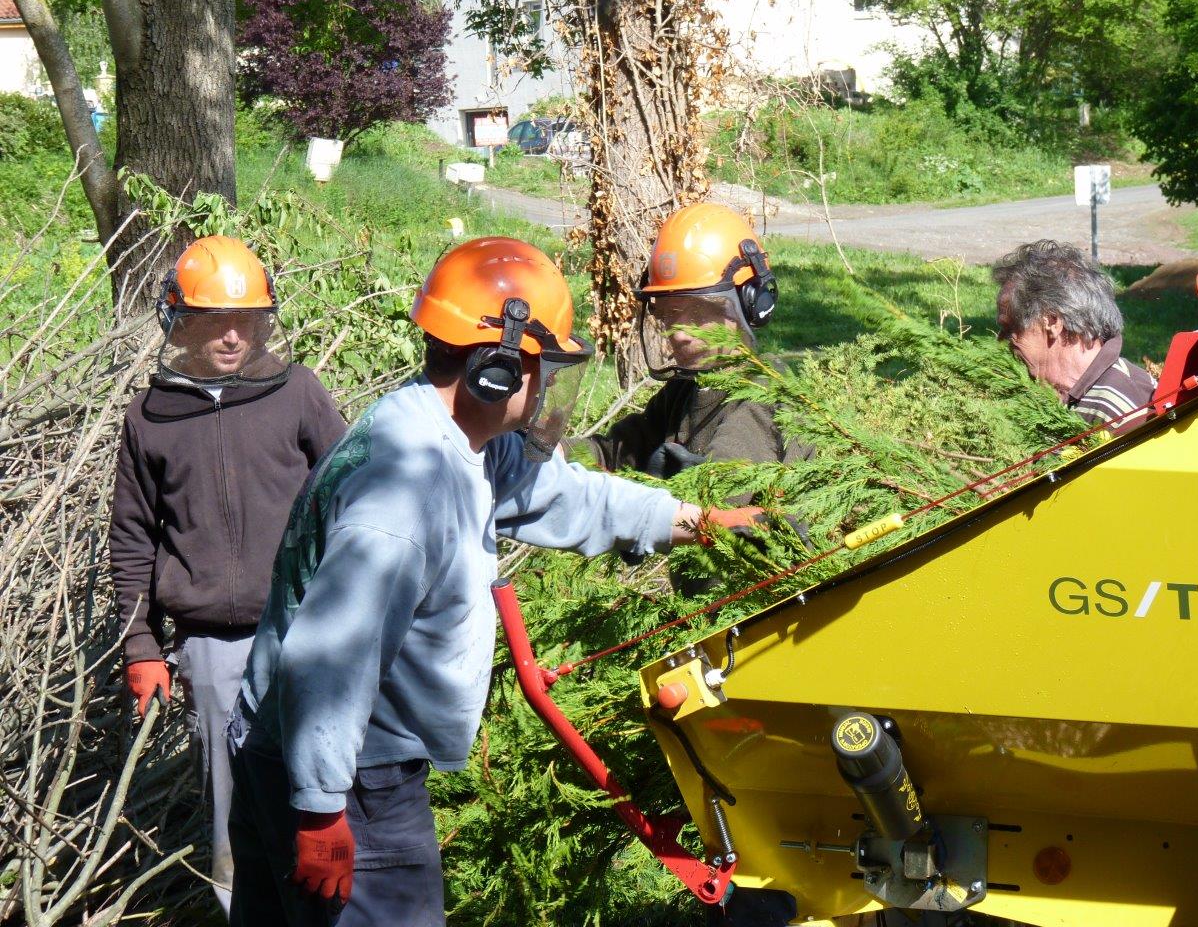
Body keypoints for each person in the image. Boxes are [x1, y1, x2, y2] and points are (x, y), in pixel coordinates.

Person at [225, 237, 767, 927]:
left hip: (312, 754)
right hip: (347, 776)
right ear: (497, 371)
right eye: (543, 370)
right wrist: (320, 807)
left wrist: (700, 520)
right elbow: (330, 657)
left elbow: (566, 495)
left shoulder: (450, 439)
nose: (547, 393)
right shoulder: (408, 493)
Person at [110, 236, 347, 917]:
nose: (231, 336)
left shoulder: (297, 393)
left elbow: (353, 497)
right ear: (179, 323)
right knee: (233, 817)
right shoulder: (149, 419)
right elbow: (132, 538)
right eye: (214, 321)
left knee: (326, 795)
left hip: (310, 634)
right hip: (210, 651)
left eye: (245, 320)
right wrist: (141, 648)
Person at [574, 203, 811, 479]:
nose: (679, 334)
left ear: (752, 304)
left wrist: (663, 487)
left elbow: (726, 484)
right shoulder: (684, 389)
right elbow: (614, 451)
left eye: (698, 313)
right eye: (669, 316)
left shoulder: (764, 393)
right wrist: (550, 454)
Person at [992, 240, 1154, 434]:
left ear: (1052, 322)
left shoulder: (1118, 414)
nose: (1000, 340)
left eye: (1010, 329)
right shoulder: (1068, 394)